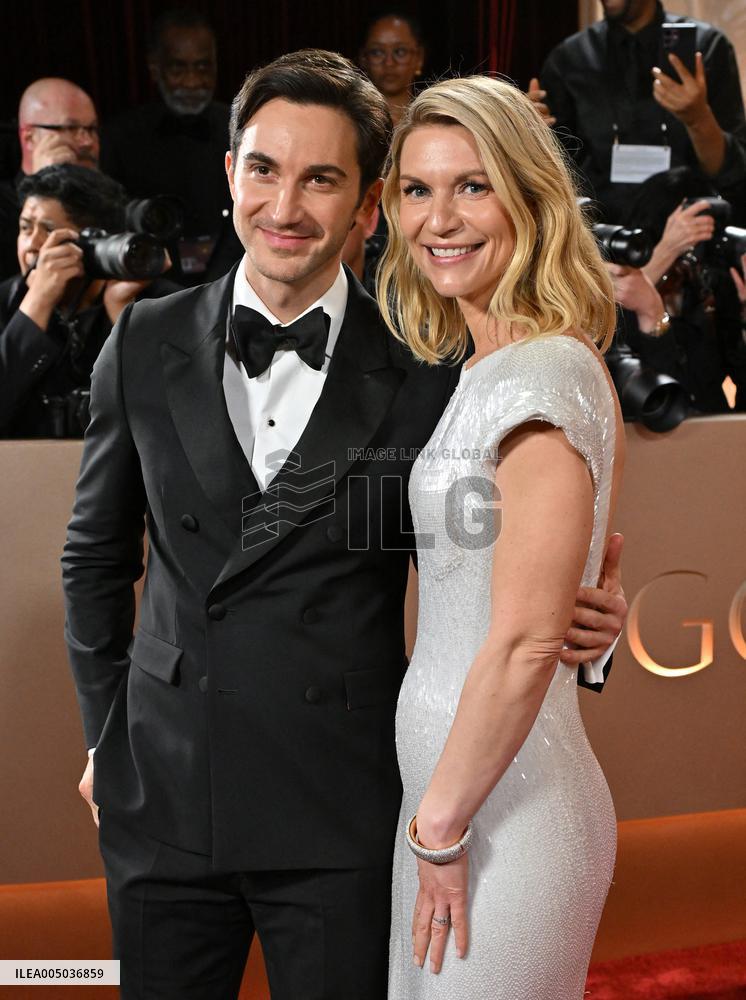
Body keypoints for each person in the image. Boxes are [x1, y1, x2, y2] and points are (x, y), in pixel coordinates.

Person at [62, 50, 626, 999]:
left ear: (366, 208)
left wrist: (585, 626)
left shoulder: (427, 372)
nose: (285, 207)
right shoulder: (143, 340)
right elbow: (93, 559)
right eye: (264, 170)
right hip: (162, 793)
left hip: (339, 813)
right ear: (230, 173)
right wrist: (101, 738)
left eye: (321, 178)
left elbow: (482, 562)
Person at [378, 75, 624, 998]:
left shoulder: (546, 372)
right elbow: (577, 572)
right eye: (417, 189)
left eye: (472, 186)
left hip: (498, 818)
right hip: (449, 810)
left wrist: (439, 829)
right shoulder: (493, 366)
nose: (440, 217)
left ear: (528, 193)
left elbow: (523, 641)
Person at [0, 163, 177, 438]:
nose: (32, 244)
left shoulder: (161, 302)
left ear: (94, 242)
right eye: (25, 228)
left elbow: (176, 417)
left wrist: (123, 312)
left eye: (48, 231)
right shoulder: (4, 302)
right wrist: (37, 303)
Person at [535, 1, 746, 224]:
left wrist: (697, 118)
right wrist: (531, 131)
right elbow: (554, 174)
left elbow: (733, 175)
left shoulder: (706, 48)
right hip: (601, 238)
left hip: (689, 232)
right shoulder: (570, 59)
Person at [101, 7, 242, 284]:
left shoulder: (240, 127)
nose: (192, 82)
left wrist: (220, 284)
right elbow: (113, 220)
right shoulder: (120, 137)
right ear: (155, 68)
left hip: (231, 282)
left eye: (202, 67)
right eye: (179, 68)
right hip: (147, 284)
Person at [621, 166, 746, 412]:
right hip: (642, 432)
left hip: (711, 432)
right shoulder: (620, 283)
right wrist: (666, 252)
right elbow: (604, 334)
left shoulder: (710, 286)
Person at [0, 78, 100, 281]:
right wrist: (46, 189)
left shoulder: (109, 203)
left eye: (91, 129)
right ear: (29, 138)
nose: (88, 142)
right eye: (71, 129)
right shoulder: (4, 208)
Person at [359, 10, 425, 127]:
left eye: (400, 52)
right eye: (377, 52)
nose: (389, 63)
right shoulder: (353, 123)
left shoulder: (432, 119)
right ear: (364, 58)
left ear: (419, 58)